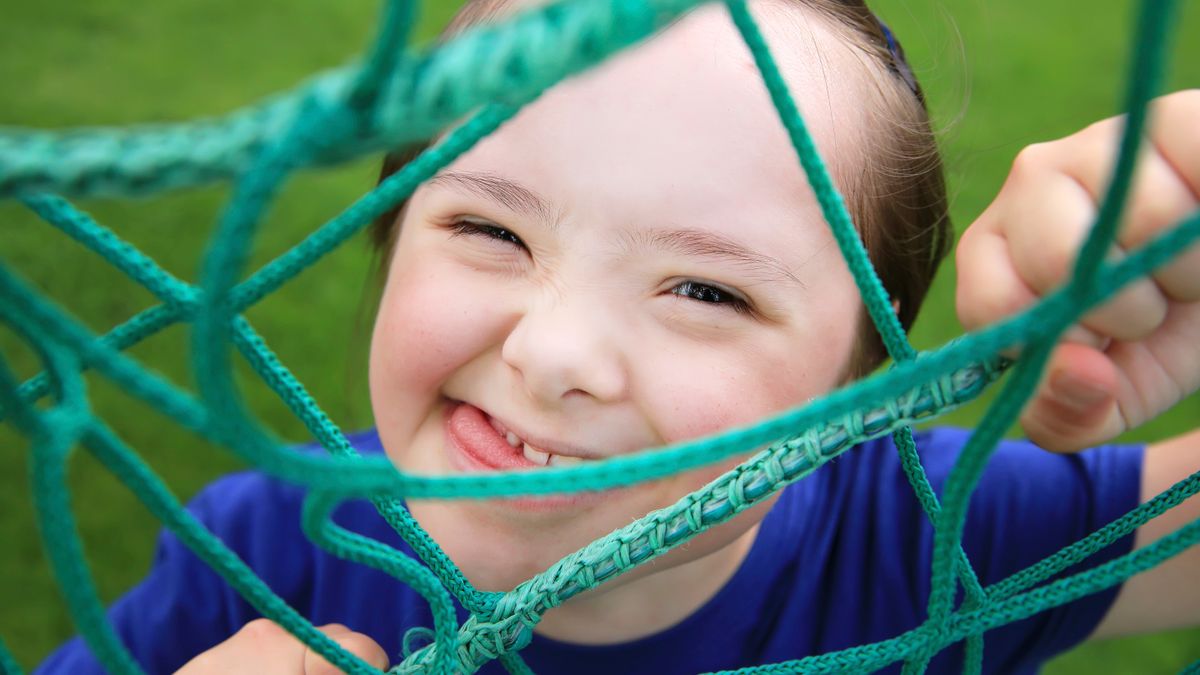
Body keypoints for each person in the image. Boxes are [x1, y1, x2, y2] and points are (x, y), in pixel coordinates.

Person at [38, 1, 1200, 673]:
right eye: (489, 227)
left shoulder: (919, 532)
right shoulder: (257, 552)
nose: (552, 356)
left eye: (705, 292)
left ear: (866, 379)